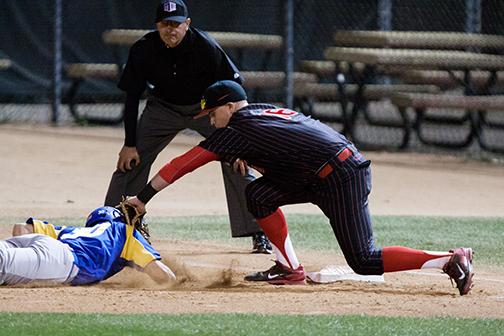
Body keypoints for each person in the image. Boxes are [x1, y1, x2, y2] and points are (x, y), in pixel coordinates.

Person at [125, 80, 474, 296]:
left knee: (364, 259)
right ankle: (289, 269)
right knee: (258, 194)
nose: (211, 120)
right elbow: (289, 147)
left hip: (340, 177)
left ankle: (448, 260)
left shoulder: (235, 130)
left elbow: (183, 164)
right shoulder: (260, 112)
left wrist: (143, 198)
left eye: (213, 113)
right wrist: (256, 160)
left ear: (230, 107)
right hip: (323, 170)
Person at [104, 0, 272, 254]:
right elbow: (131, 96)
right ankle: (112, 227)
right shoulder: (144, 48)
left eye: (176, 23)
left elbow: (237, 92)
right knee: (130, 162)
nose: (170, 29)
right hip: (162, 109)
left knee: (238, 162)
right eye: (165, 24)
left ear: (187, 24)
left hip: (205, 109)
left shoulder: (206, 47)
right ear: (157, 25)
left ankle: (259, 231)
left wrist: (239, 139)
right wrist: (129, 144)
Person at [0, 206, 175, 286]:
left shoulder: (73, 231)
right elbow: (165, 277)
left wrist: (24, 253)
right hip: (62, 261)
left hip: (47, 244)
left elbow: (20, 227)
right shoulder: (125, 232)